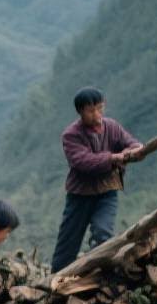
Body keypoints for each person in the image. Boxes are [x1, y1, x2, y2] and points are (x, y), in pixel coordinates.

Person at [50, 87, 144, 273]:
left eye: (100, 108)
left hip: (107, 193)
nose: (97, 114)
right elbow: (83, 162)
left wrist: (135, 150)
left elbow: (132, 143)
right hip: (80, 196)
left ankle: (100, 272)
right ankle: (55, 279)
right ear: (80, 112)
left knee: (103, 233)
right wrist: (113, 158)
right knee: (68, 242)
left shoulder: (112, 127)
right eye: (91, 110)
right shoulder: (71, 135)